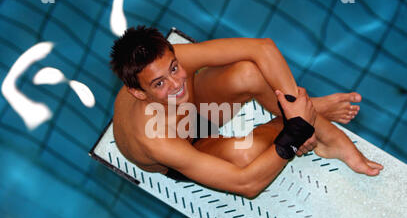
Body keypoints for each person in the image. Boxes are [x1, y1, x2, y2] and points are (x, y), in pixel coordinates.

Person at [110, 26, 383, 199]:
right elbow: (247, 186)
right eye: (159, 84)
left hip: (200, 110)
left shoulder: (175, 63)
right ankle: (308, 114)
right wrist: (296, 131)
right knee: (247, 156)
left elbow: (261, 47)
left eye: (173, 68)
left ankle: (329, 136)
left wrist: (294, 104)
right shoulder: (155, 140)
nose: (176, 84)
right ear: (139, 93)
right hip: (186, 144)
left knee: (247, 73)